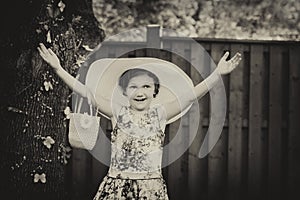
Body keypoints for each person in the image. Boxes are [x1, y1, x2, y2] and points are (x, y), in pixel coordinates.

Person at [38, 43, 241, 199]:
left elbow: (191, 95)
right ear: (125, 92)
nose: (140, 92)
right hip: (116, 186)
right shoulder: (118, 111)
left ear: (154, 91)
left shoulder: (160, 114)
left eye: (146, 87)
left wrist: (217, 74)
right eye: (133, 87)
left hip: (150, 189)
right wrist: (58, 69)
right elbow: (86, 93)